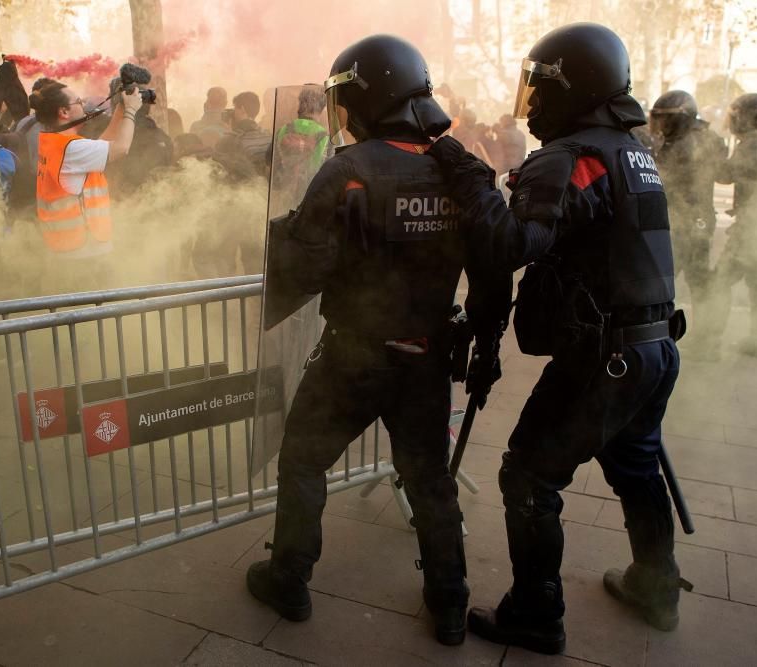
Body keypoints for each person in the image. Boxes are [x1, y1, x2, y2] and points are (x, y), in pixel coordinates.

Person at [428, 23, 688, 653]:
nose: (533, 104)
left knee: (528, 477)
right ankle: (656, 587)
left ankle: (536, 612)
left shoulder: (572, 157)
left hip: (605, 357)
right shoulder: (634, 151)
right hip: (653, 348)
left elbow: (513, 245)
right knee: (635, 465)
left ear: (577, 86)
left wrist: (470, 176)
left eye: (541, 88)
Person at [246, 34, 510, 647]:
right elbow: (492, 265)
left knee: (304, 460)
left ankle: (290, 578)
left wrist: (284, 237)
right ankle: (449, 603)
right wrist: (484, 343)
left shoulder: (349, 169)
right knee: (428, 479)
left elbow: (306, 265)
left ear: (365, 99)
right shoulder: (458, 169)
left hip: (353, 355)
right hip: (426, 356)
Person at [694, 93, 757, 360]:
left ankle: (709, 345)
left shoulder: (753, 145)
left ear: (751, 117)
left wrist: (707, 153)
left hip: (749, 230)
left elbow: (726, 175)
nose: (734, 120)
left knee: (718, 284)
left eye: (737, 115)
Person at [29, 79, 141, 288]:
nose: (83, 104)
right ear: (64, 112)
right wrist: (132, 111)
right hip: (85, 256)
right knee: (97, 318)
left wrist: (119, 110)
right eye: (78, 101)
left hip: (69, 252)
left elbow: (101, 145)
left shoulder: (55, 142)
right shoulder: (71, 148)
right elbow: (121, 148)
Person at [648, 90, 726, 321]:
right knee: (698, 279)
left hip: (686, 221)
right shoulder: (705, 136)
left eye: (665, 118)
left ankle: (673, 334)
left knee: (666, 280)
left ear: (680, 118)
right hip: (697, 219)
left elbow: (664, 181)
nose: (661, 124)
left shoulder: (684, 145)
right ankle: (707, 338)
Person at [214, 91, 270, 179]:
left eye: (235, 108)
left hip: (243, 189)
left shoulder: (230, 140)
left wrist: (227, 135)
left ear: (243, 109)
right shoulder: (267, 135)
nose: (233, 112)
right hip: (263, 187)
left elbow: (217, 172)